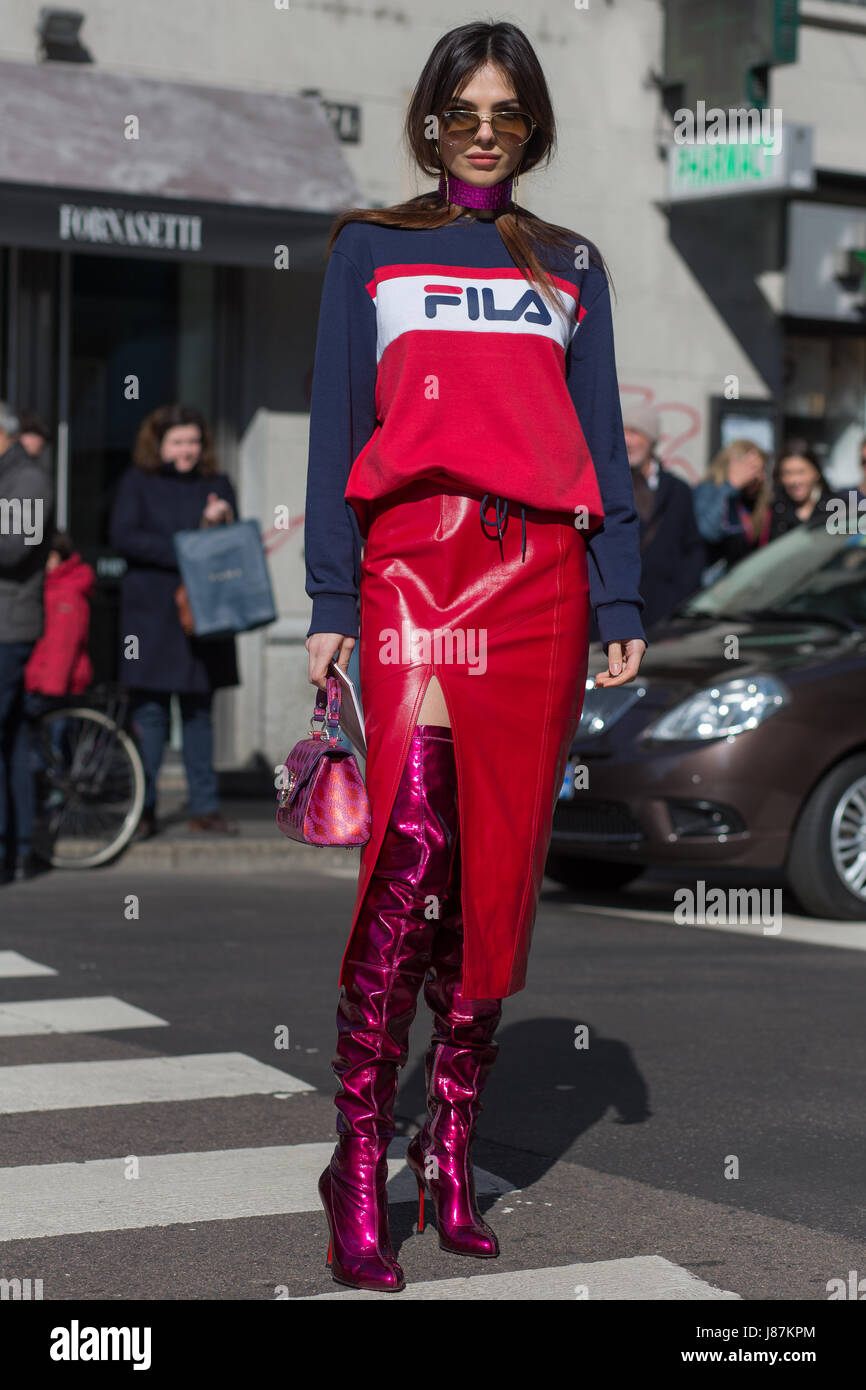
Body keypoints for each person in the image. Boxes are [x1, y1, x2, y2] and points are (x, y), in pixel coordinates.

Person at [303, 20, 647, 1293]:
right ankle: (355, 1158)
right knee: (410, 854)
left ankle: (448, 1146)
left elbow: (598, 446)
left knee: (494, 872)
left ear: (532, 125)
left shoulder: (570, 264)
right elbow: (341, 419)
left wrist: (618, 603)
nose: (485, 128)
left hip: (540, 584)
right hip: (410, 568)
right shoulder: (368, 252)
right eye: (464, 108)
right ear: (431, 122)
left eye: (507, 109)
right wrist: (329, 594)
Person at [108, 404, 240, 838]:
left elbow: (232, 544)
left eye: (193, 442)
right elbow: (124, 536)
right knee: (151, 712)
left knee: (200, 712)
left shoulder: (216, 484)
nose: (187, 450)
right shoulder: (137, 482)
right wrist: (188, 546)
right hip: (151, 615)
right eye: (177, 442)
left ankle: (205, 806)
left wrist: (220, 522)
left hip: (203, 614)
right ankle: (142, 809)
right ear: (159, 445)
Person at [0, 401, 55, 883]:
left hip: (8, 627)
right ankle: (17, 849)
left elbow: (14, 549)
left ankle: (9, 851)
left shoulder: (29, 480)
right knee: (13, 740)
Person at [618, 399, 705, 631]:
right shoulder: (605, 486)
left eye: (635, 432)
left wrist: (679, 596)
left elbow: (692, 548)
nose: (627, 440)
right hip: (614, 614)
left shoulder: (678, 490)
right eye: (622, 431)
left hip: (663, 617)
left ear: (652, 439)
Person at [692, 438, 772, 584]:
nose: (759, 477)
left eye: (762, 470)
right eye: (753, 469)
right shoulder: (709, 490)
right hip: (711, 584)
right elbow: (708, 531)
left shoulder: (756, 501)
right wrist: (731, 487)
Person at [769, 439, 839, 539]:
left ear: (816, 473)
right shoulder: (771, 509)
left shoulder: (837, 508)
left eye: (801, 472)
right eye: (787, 473)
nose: (794, 481)